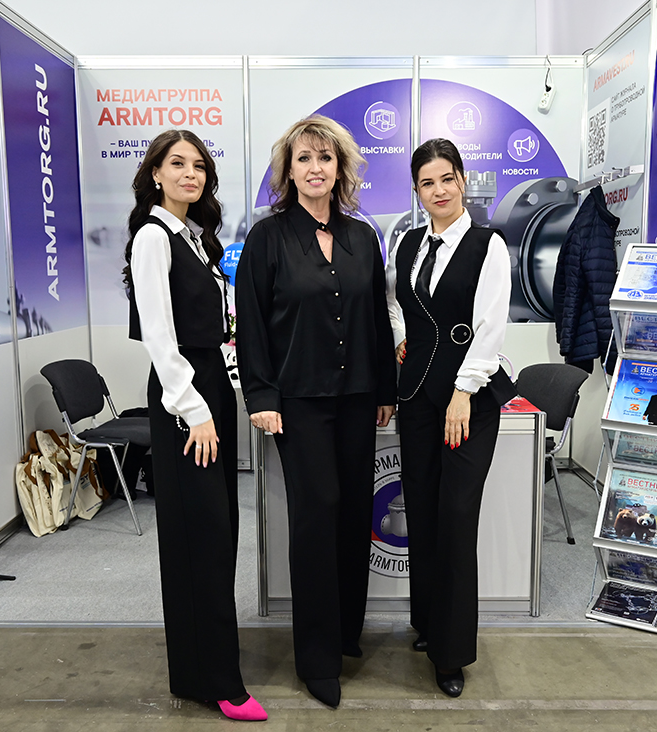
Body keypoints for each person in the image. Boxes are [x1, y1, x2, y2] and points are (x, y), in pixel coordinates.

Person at [236, 115, 397, 709]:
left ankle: (346, 633)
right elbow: (251, 323)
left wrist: (385, 389)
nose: (314, 168)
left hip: (358, 398)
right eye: (303, 158)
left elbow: (376, 320)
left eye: (324, 157)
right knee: (316, 515)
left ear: (341, 167)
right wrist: (261, 396)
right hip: (298, 403)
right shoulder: (267, 238)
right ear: (288, 170)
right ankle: (317, 656)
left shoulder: (362, 237)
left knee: (354, 512)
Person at [123, 129, 266, 722]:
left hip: (209, 387)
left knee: (214, 534)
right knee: (200, 539)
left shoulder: (198, 237)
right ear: (155, 173)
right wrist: (196, 410)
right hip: (186, 399)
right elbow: (160, 337)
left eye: (199, 165)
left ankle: (199, 666)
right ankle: (219, 682)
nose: (190, 174)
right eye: (177, 163)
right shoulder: (153, 237)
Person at [386, 138, 515, 698]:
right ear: (417, 191)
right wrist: (401, 338)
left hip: (469, 402)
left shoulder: (489, 245)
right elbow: (395, 302)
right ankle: (428, 624)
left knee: (456, 519)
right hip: (417, 396)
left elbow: (489, 326)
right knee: (421, 511)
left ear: (462, 180)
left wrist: (463, 392)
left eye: (446, 179)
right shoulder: (409, 244)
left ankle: (452, 652)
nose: (438, 191)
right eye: (426, 183)